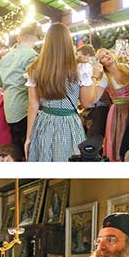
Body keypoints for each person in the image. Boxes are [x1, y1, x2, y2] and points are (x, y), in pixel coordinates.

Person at [24, 23, 98, 162]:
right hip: (70, 122)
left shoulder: (35, 68)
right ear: (68, 43)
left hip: (44, 121)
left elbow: (33, 107)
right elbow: (87, 103)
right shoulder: (81, 68)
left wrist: (29, 137)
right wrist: (94, 77)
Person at [0, 25, 38, 159]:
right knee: (29, 147)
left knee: (17, 149)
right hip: (25, 110)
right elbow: (36, 84)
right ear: (35, 38)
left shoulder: (4, 59)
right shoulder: (32, 56)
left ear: (18, 38)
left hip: (9, 110)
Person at [93, 47, 129, 162]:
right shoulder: (105, 78)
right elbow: (94, 98)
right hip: (118, 113)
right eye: (102, 57)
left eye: (107, 53)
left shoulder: (127, 68)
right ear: (101, 63)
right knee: (119, 141)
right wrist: (93, 77)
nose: (107, 56)